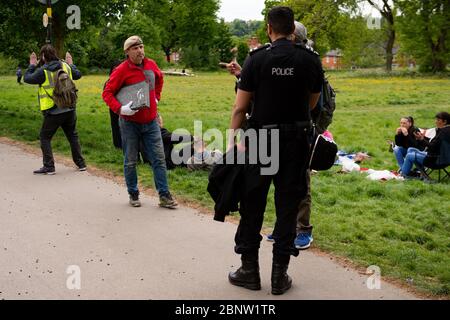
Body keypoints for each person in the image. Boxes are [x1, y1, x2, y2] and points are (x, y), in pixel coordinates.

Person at [227, 7, 323, 295]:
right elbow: (312, 103)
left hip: (259, 141)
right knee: (287, 207)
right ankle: (280, 277)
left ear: (269, 29)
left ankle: (249, 271)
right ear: (293, 29)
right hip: (295, 142)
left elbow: (240, 107)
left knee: (252, 204)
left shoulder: (256, 60)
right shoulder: (310, 60)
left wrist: (233, 141)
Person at [102, 35, 177, 209]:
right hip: (129, 123)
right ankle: (133, 193)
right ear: (127, 52)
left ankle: (164, 195)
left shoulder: (151, 65)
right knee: (130, 160)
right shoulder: (121, 70)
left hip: (150, 122)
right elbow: (107, 93)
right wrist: (121, 109)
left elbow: (160, 79)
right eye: (135, 48)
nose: (140, 51)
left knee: (158, 159)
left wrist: (156, 98)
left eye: (141, 47)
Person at [24, 45, 86, 175]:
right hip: (69, 108)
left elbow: (27, 78)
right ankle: (81, 164)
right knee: (72, 136)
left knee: (45, 137)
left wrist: (32, 65)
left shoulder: (43, 71)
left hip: (53, 111)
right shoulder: (65, 66)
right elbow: (78, 75)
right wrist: (71, 63)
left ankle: (49, 167)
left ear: (43, 57)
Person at [401, 112, 450, 177]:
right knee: (411, 149)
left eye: (438, 120)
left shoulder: (443, 133)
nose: (436, 122)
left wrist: (421, 139)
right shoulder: (445, 130)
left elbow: (432, 147)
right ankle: (419, 172)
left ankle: (403, 175)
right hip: (445, 159)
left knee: (409, 155)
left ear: (445, 122)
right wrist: (422, 139)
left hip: (436, 161)